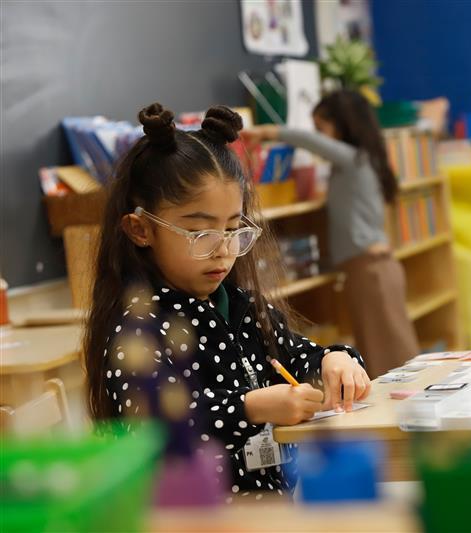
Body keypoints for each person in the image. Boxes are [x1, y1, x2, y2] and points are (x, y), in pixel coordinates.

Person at [83, 103, 371, 499]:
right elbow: (156, 429)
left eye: (234, 229)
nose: (224, 249)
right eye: (200, 233)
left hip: (271, 509)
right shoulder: (137, 327)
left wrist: (334, 360)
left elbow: (298, 355)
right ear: (141, 229)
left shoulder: (240, 305)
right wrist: (250, 408)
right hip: (196, 517)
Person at [242, 90, 420, 376]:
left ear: (341, 123)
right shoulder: (359, 162)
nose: (318, 134)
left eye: (321, 126)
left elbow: (313, 142)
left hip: (371, 269)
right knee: (383, 350)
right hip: (370, 268)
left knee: (391, 355)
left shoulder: (354, 159)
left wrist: (267, 132)